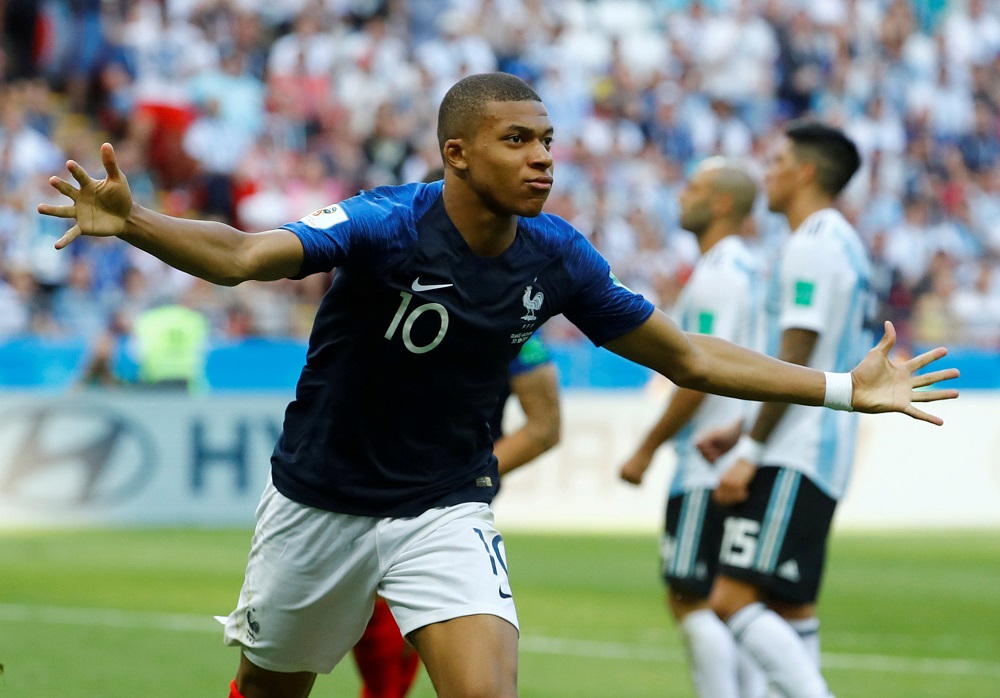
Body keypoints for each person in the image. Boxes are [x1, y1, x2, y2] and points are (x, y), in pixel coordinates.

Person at [38, 73, 957, 698]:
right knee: (274, 688)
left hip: (445, 507)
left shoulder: (559, 257)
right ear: (456, 154)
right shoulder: (383, 225)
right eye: (517, 140)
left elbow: (691, 357)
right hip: (318, 503)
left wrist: (842, 386)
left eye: (548, 141)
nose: (542, 158)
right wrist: (137, 222)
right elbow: (243, 256)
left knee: (484, 688)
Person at [695, 121, 877, 698]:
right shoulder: (841, 240)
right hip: (822, 444)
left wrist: (751, 449)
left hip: (796, 446)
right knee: (792, 604)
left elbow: (797, 353)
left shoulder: (813, 243)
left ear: (805, 173)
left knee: (730, 597)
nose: (765, 173)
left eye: (776, 162)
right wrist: (741, 427)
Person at [618, 157, 768, 698]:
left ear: (722, 203)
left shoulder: (718, 276)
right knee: (735, 597)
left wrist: (646, 448)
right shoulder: (748, 269)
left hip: (708, 462)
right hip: (737, 451)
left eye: (695, 187)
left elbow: (699, 372)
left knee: (691, 595)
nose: (682, 195)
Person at [351, 333, 560, 698]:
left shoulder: (519, 316)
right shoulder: (384, 284)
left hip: (451, 499)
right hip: (365, 475)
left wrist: (466, 475)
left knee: (408, 610)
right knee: (373, 613)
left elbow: (544, 428)